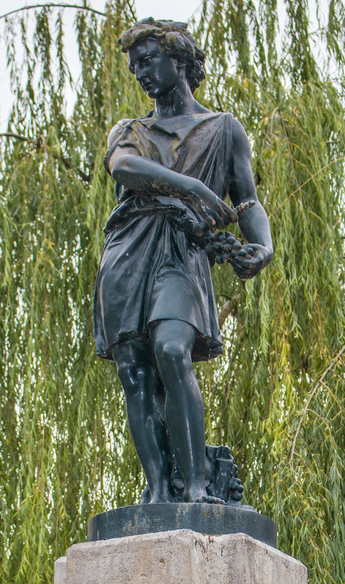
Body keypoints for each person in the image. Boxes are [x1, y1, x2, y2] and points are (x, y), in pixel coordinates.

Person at [93, 18, 273, 504]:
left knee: (172, 350)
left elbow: (248, 201)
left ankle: (196, 486)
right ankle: (156, 491)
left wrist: (262, 244)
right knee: (135, 373)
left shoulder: (223, 128)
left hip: (182, 254)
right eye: (135, 68)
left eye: (149, 61)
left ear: (180, 59)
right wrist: (190, 187)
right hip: (128, 253)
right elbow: (124, 167)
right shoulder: (130, 131)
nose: (141, 74)